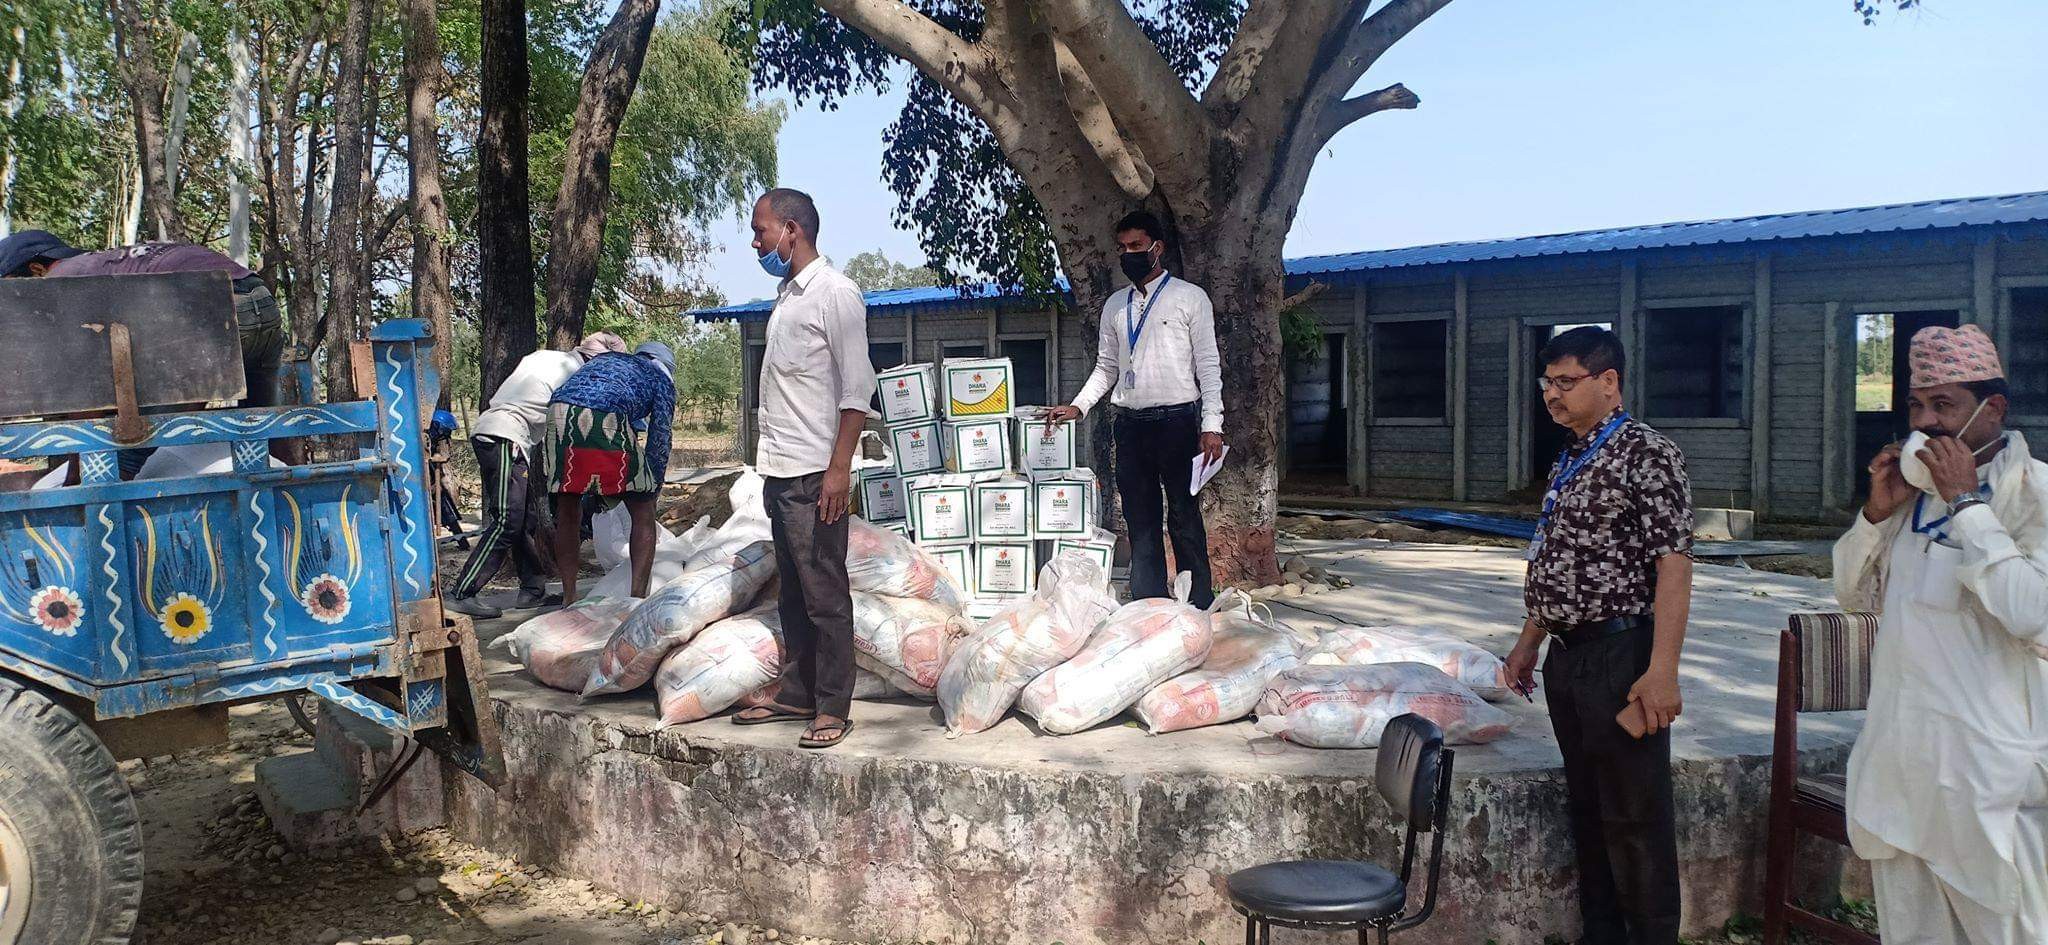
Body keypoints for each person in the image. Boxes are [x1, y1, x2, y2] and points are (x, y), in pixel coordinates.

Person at [1833, 324, 2047, 945]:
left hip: (1988, 769)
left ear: (1993, 409)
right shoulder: (1909, 497)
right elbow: (1852, 595)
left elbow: (2031, 613)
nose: (1926, 423)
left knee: (2011, 930)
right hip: (1904, 761)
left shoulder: (2032, 494)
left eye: (1945, 405)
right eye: (1917, 407)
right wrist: (1875, 515)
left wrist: (1968, 503)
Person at [1501, 326, 1692, 945]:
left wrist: (1662, 669)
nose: (1550, 395)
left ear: (1608, 382)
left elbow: (1673, 564)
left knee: (1635, 816)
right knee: (1587, 808)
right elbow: (1560, 557)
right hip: (1569, 657)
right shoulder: (1573, 453)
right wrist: (1530, 641)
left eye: (1565, 382)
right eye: (1546, 383)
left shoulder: (1648, 454)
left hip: (1622, 654)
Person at [728, 188, 874, 751]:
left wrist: (840, 470)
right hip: (781, 470)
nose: (756, 241)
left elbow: (856, 389)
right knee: (793, 592)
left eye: (761, 230)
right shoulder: (788, 296)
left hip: (817, 473)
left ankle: (834, 706)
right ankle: (796, 692)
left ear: (792, 230)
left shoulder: (835, 294)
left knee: (825, 594)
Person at [1044, 210, 1223, 608]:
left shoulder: (1190, 299)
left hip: (1177, 423)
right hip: (1130, 427)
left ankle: (1198, 604)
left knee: (1183, 517)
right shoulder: (1115, 306)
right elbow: (1106, 368)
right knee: (1141, 521)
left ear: (1157, 248)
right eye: (1123, 248)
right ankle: (1149, 603)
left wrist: (1212, 425)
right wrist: (1079, 406)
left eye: (1137, 246)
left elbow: (1209, 366)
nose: (1129, 255)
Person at [443, 333, 626, 619]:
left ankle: (532, 589)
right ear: (597, 361)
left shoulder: (547, 357)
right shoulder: (577, 375)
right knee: (507, 520)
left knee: (523, 519)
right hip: (506, 436)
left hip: (497, 433)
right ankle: (462, 592)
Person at [1, 233, 286, 411]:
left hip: (217, 309)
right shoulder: (101, 262)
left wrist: (75, 475)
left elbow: (83, 382)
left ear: (36, 270)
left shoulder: (59, 279)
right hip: (260, 297)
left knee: (146, 437)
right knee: (263, 422)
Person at [544, 340, 677, 607]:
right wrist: (653, 486)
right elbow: (660, 434)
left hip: (557, 413)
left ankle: (568, 598)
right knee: (642, 511)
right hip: (605, 415)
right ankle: (635, 600)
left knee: (568, 508)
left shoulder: (611, 362)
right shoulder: (660, 377)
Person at [428, 409, 470, 552]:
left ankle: (461, 540)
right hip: (424, 481)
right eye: (445, 431)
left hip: (432, 479)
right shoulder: (425, 439)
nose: (447, 435)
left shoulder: (431, 441)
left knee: (445, 504)